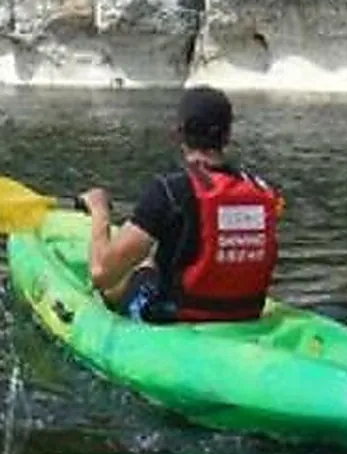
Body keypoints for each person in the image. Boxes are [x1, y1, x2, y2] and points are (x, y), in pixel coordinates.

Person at [81, 86, 284, 324]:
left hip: (180, 317)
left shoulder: (169, 191)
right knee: (152, 263)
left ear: (180, 133)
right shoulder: (261, 190)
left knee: (125, 278)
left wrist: (99, 211)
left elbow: (101, 274)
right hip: (246, 315)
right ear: (227, 136)